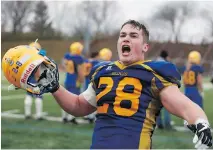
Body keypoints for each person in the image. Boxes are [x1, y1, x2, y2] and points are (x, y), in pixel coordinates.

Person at [2, 20, 212, 149]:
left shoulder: (154, 72)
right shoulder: (103, 71)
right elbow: (78, 106)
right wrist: (55, 87)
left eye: (133, 35)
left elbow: (182, 104)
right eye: (122, 35)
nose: (125, 39)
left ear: (145, 46)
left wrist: (201, 122)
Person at [61, 42, 84, 124]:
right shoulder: (79, 58)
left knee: (65, 100)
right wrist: (82, 79)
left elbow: (63, 64)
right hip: (75, 81)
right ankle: (71, 117)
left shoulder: (67, 56)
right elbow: (79, 70)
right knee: (74, 100)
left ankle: (64, 117)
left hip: (67, 79)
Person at [24, 41, 44, 120]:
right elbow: (37, 71)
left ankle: (27, 114)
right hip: (35, 81)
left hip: (28, 81)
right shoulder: (37, 58)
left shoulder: (26, 58)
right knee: (38, 97)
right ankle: (39, 115)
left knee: (28, 96)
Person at [156, 50, 173, 129]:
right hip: (164, 86)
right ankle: (167, 123)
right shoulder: (166, 64)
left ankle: (159, 124)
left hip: (155, 86)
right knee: (167, 106)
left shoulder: (156, 62)